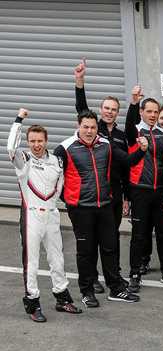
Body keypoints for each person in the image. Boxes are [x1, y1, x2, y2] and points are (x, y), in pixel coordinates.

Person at [54, 111, 140, 307]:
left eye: (93, 127)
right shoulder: (65, 148)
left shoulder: (106, 145)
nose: (89, 131)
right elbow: (54, 178)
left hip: (104, 206)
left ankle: (116, 289)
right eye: (85, 126)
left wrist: (142, 150)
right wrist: (69, 199)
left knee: (110, 248)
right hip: (81, 209)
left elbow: (127, 162)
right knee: (86, 252)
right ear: (78, 125)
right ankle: (87, 292)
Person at [9, 109, 82, 322]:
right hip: (31, 216)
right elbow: (10, 147)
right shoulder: (23, 160)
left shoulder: (57, 161)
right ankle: (33, 303)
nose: (36, 145)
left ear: (46, 140)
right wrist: (18, 120)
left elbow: (61, 188)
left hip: (52, 215)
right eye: (32, 141)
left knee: (57, 259)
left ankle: (62, 297)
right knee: (31, 262)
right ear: (29, 142)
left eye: (40, 140)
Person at [74, 59, 130, 293]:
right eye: (106, 108)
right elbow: (80, 107)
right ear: (101, 109)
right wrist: (80, 81)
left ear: (118, 113)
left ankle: (113, 275)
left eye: (113, 109)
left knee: (111, 238)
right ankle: (93, 277)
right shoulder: (91, 127)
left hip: (115, 193)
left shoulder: (121, 135)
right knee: (93, 240)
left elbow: (126, 167)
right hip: (93, 193)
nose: (109, 112)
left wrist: (127, 197)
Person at [125, 92, 163, 291]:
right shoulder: (134, 131)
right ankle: (134, 273)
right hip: (140, 190)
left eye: (156, 111)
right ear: (141, 112)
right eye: (148, 111)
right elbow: (129, 122)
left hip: (162, 191)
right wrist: (133, 101)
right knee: (139, 234)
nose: (153, 115)